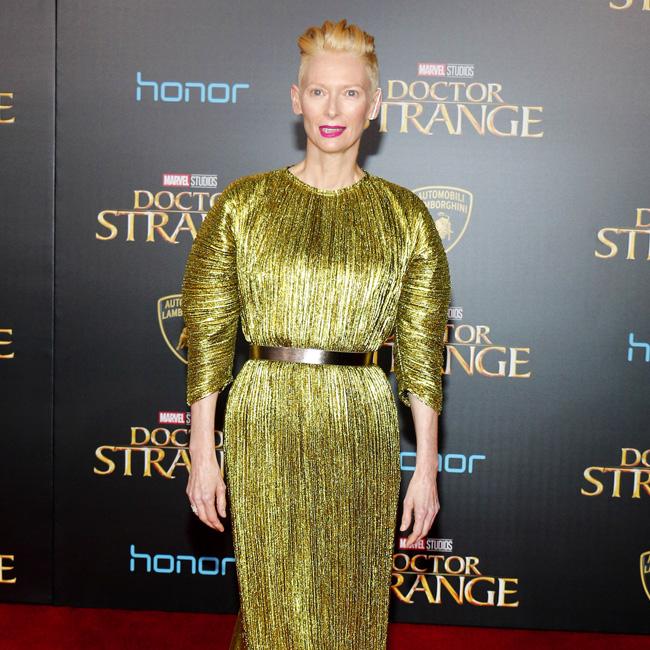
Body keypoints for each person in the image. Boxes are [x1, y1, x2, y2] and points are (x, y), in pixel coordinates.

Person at [181, 18, 451, 650]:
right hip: (263, 416)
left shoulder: (405, 216)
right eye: (319, 91)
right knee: (272, 607)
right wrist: (202, 452)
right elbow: (210, 334)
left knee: (350, 604)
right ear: (295, 98)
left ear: (374, 105)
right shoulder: (243, 204)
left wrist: (427, 469)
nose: (333, 110)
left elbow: (420, 351)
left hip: (361, 421)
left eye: (350, 93)